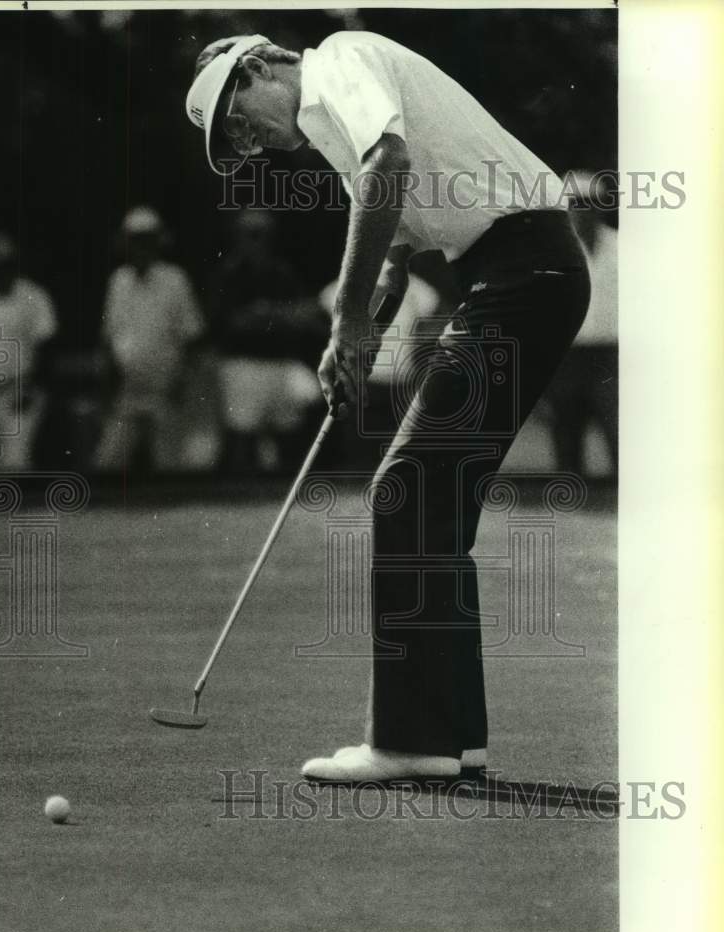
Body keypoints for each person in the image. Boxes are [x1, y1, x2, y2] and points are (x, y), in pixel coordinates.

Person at [185, 31, 590, 780]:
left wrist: (345, 319)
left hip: (522, 269)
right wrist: (370, 317)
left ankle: (413, 742)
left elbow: (389, 166)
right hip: (521, 270)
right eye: (234, 144)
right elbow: (400, 235)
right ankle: (453, 735)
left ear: (259, 66)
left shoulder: (339, 59)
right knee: (429, 499)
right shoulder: (337, 126)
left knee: (406, 490)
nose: (250, 143)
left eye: (238, 121)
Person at [208, 208, 325, 473]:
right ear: (238, 236)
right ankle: (237, 503)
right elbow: (234, 322)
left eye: (263, 235)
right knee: (242, 437)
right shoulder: (229, 273)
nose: (257, 241)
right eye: (251, 234)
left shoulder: (283, 272)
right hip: (242, 366)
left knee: (289, 435)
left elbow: (305, 315)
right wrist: (279, 315)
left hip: (280, 365)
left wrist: (265, 313)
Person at [95, 206, 205, 473]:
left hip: (165, 390)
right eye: (135, 240)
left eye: (147, 239)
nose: (140, 246)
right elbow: (109, 339)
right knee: (108, 465)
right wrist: (107, 386)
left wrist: (182, 383)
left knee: (169, 467)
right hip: (127, 391)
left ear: (158, 242)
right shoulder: (118, 281)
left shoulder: (175, 279)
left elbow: (192, 337)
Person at [544, 181, 618, 476]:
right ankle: (573, 502)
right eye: (576, 202)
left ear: (601, 207)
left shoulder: (623, 248)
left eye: (590, 202)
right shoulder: (551, 251)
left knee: (619, 425)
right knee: (566, 425)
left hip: (611, 352)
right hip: (567, 353)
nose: (583, 210)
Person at [0, 232, 58, 469]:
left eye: (2, 265)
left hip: (22, 391)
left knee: (15, 462)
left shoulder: (34, 295)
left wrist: (30, 387)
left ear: (12, 264)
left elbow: (47, 346)